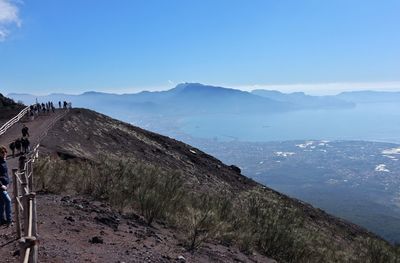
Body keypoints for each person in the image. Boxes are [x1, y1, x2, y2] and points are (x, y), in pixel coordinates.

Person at [0, 145, 12, 226]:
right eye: (3, 152)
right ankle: (9, 220)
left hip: (4, 185)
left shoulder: (3, 161)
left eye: (5, 152)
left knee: (1, 203)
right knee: (8, 201)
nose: (5, 154)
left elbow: (5, 174)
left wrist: (7, 183)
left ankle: (1, 220)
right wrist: (1, 185)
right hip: (1, 187)